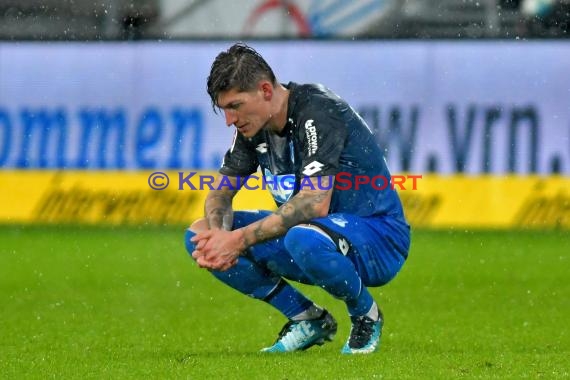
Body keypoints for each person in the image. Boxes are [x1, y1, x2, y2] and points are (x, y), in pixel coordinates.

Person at [184, 43, 410, 354]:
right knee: (199, 235)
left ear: (265, 90)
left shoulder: (318, 111)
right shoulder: (254, 127)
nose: (229, 120)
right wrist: (219, 235)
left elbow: (313, 204)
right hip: (310, 241)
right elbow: (220, 192)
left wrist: (236, 241)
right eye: (224, 110)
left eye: (234, 106)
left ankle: (366, 316)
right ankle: (307, 319)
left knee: (303, 236)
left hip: (378, 238)